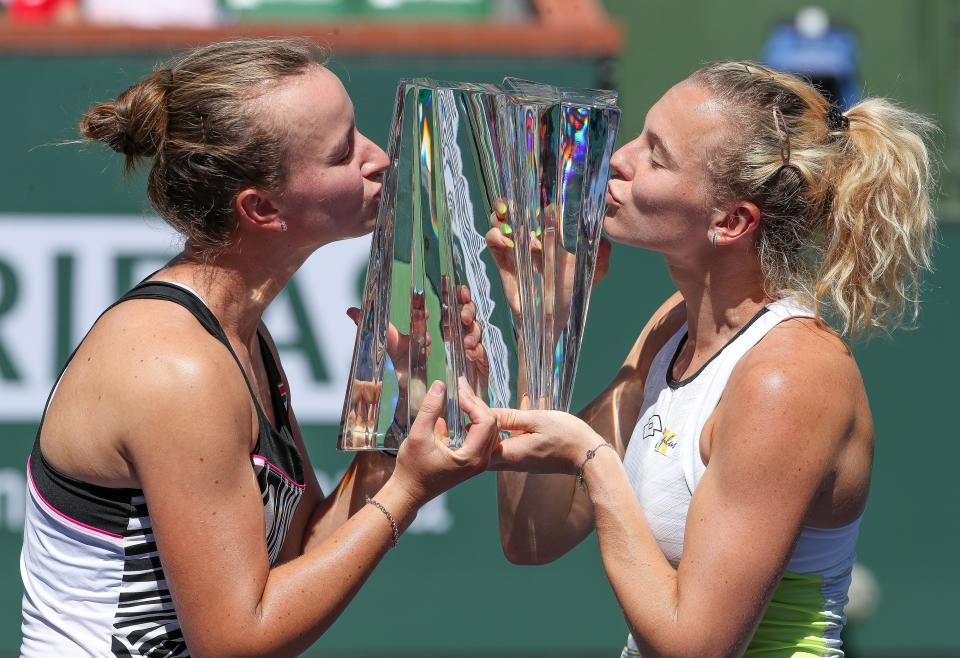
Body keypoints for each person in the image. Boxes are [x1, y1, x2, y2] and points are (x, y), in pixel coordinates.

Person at [19, 38, 500, 657]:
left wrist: (399, 428)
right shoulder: (178, 368)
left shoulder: (240, 338)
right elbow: (237, 641)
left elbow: (300, 554)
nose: (378, 159)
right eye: (343, 151)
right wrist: (407, 492)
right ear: (262, 207)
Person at [490, 61, 935, 657]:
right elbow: (533, 535)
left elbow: (696, 648)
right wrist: (544, 326)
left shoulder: (789, 377)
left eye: (656, 155)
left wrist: (594, 461)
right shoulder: (672, 325)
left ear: (730, 221)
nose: (618, 159)